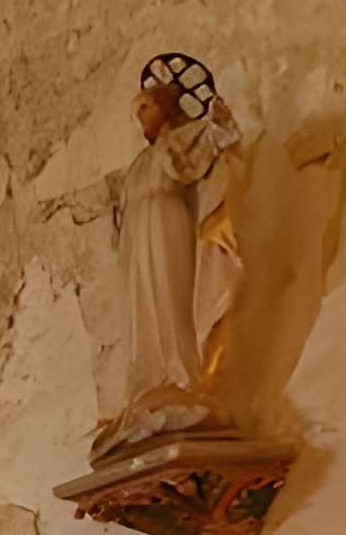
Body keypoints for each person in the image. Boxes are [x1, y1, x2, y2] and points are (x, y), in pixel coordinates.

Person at [98, 57, 246, 460]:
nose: (140, 116)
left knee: (171, 301)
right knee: (142, 312)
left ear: (166, 106)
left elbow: (220, 137)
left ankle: (181, 378)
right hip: (138, 239)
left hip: (169, 228)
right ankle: (150, 384)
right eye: (137, 111)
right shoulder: (137, 165)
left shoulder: (180, 141)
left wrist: (215, 109)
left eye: (146, 106)